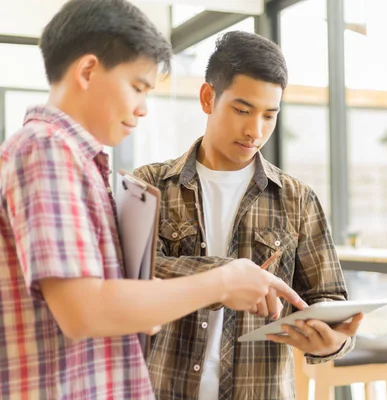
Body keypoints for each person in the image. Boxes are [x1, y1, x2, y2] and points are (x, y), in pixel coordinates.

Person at [0, 2, 305, 399]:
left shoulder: (73, 160)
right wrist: (223, 281)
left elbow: (99, 302)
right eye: (138, 87)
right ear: (88, 70)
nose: (143, 109)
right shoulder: (48, 151)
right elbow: (83, 311)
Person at [134, 31, 362, 400]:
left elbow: (330, 298)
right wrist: (226, 278)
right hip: (160, 390)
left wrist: (331, 343)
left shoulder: (297, 199)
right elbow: (133, 276)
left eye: (269, 116)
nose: (255, 131)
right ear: (209, 98)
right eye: (242, 110)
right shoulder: (149, 186)